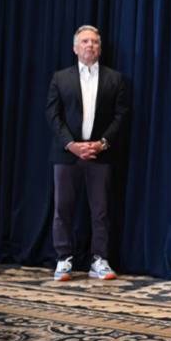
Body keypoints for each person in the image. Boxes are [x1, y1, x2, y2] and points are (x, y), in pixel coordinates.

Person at [45, 25, 129, 281]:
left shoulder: (115, 79)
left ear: (100, 48)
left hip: (99, 154)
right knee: (63, 209)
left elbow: (121, 115)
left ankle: (99, 260)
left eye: (94, 42)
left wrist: (102, 143)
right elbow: (53, 115)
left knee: (100, 211)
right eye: (84, 41)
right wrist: (71, 144)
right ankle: (63, 259)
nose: (90, 45)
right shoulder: (60, 78)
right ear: (75, 48)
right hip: (67, 155)